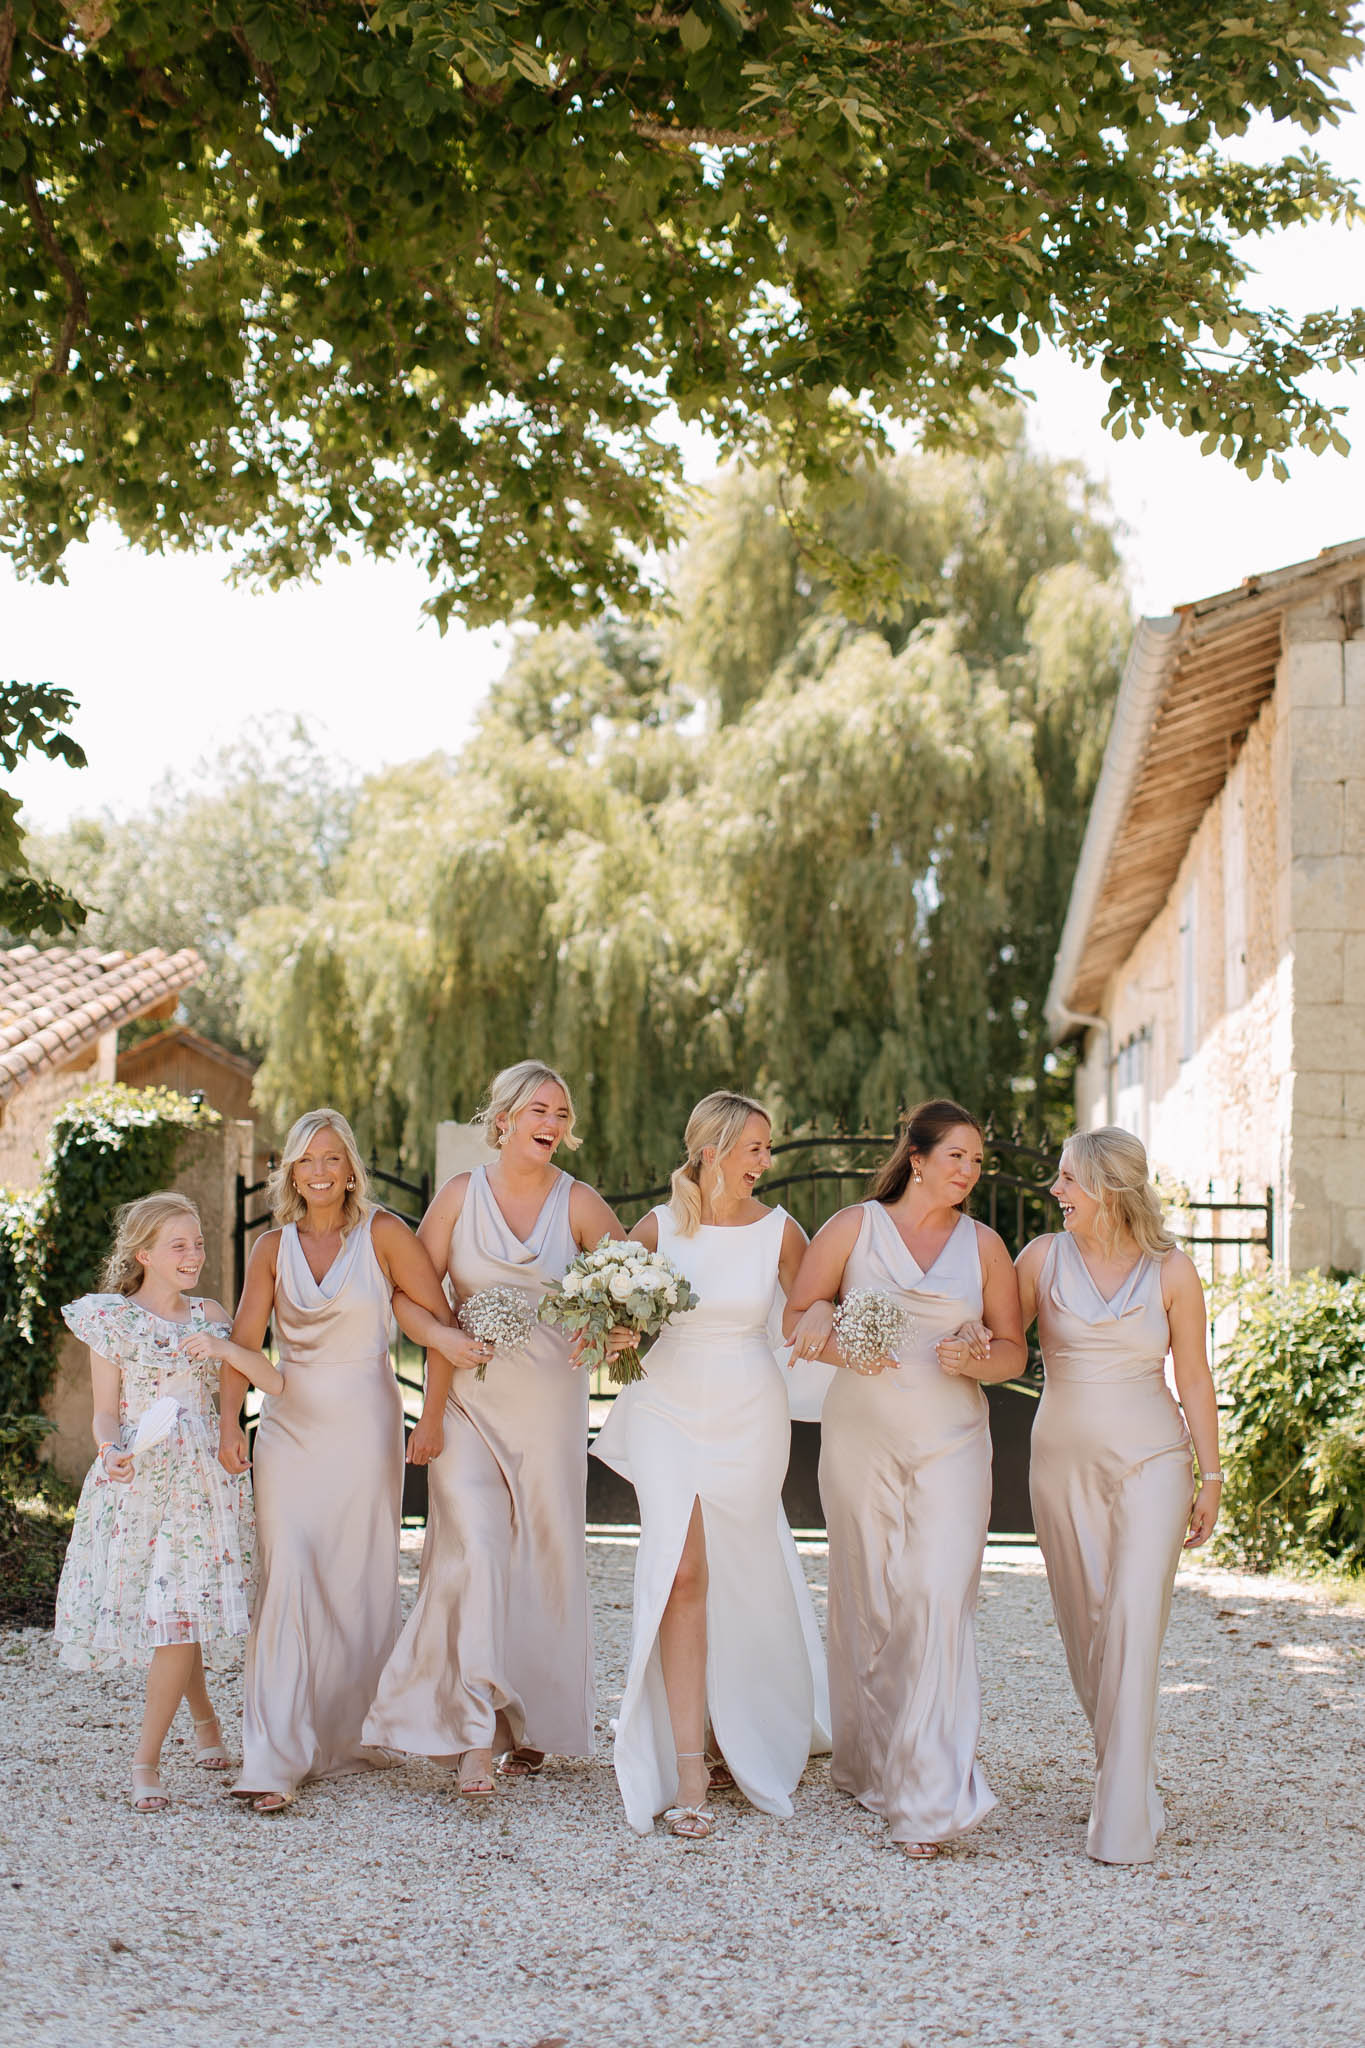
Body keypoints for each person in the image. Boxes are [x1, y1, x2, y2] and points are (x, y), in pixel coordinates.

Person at [363, 1061, 625, 1798]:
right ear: (504, 1118)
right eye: (539, 1109)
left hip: (549, 1415)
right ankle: (472, 1730)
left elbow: (638, 1291)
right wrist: (441, 1343)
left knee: (543, 1558)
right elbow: (410, 1298)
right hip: (468, 1409)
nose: (553, 1123)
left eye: (563, 1114)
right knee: (473, 1549)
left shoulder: (578, 1204)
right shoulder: (457, 1197)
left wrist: (612, 1333)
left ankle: (532, 1723)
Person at [785, 1098, 1026, 1859]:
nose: (968, 1171)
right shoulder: (853, 1228)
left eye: (977, 1161)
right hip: (861, 1434)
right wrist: (836, 1341)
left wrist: (976, 1360)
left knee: (937, 1592)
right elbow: (800, 1317)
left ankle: (928, 1790)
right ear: (916, 1158)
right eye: (956, 1156)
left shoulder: (984, 1245)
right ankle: (871, 1762)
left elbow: (1016, 1353)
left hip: (953, 1438)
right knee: (870, 1594)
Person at [592, 1091, 831, 1840]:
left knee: (739, 1570)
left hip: (748, 1407)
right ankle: (688, 1765)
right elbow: (619, 1322)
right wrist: (613, 1336)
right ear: (711, 1150)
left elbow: (809, 1306)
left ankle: (743, 1724)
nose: (766, 1161)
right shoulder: (657, 1228)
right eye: (755, 1147)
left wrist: (819, 1311)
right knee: (681, 1571)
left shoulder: (781, 1231)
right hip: (667, 1405)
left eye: (766, 1148)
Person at [217, 1108, 453, 1812]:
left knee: (355, 1577)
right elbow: (243, 1338)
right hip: (289, 1428)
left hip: (365, 1425)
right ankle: (273, 1752)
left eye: (332, 1159)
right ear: (290, 1170)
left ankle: (348, 1729)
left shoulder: (384, 1235)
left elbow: (438, 1326)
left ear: (351, 1169)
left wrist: (432, 1417)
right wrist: (229, 1420)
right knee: (286, 1569)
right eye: (306, 1160)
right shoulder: (269, 1249)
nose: (319, 1172)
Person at [1016, 1126, 1221, 1865]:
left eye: (1067, 1180)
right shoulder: (1039, 1259)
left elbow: (1192, 1378)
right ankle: (1124, 1772)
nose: (1056, 1192)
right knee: (1087, 1628)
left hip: (1153, 1463)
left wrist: (1212, 1475)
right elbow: (999, 1343)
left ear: (1106, 1187)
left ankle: (1123, 1815)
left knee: (1134, 1617)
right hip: (1060, 1466)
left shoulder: (1171, 1271)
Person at [54, 1193, 282, 1811]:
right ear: (144, 1253)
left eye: (199, 1242)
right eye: (178, 1245)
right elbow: (105, 1414)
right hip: (139, 1485)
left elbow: (273, 1380)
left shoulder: (210, 1313)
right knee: (173, 1614)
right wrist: (109, 1451)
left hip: (204, 1486)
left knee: (183, 1612)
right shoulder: (113, 1321)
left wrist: (226, 1349)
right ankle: (203, 1724)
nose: (194, 1255)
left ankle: (145, 1762)